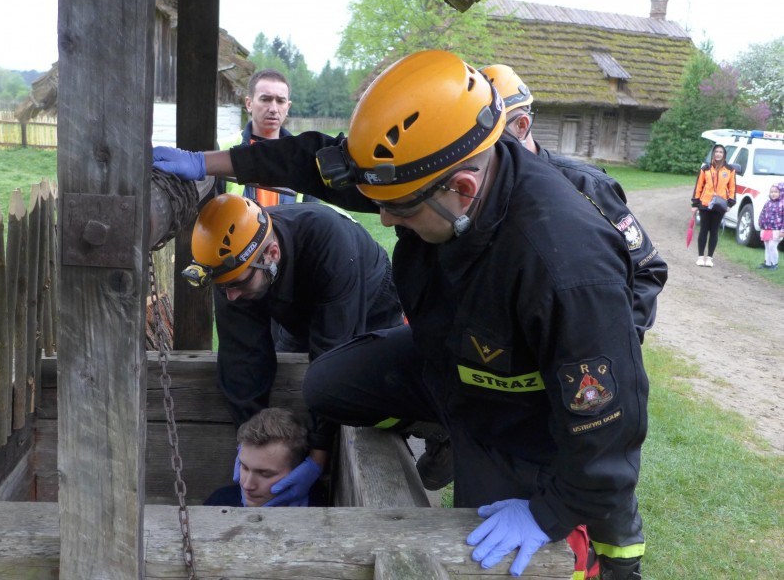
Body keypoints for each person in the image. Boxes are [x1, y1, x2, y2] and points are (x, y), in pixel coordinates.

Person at [154, 50, 649, 579]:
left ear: (463, 190)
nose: (384, 217)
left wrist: (548, 512)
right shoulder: (432, 167)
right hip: (449, 360)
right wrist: (206, 163)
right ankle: (443, 428)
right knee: (326, 385)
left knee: (489, 555)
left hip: (523, 408)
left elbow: (608, 425)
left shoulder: (566, 266)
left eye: (399, 207)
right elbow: (314, 163)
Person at [183, 192, 404, 505]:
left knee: (373, 388)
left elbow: (331, 362)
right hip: (289, 307)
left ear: (272, 254)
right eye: (224, 287)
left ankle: (432, 435)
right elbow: (242, 360)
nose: (231, 296)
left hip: (368, 301)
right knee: (287, 365)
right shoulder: (232, 269)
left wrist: (318, 460)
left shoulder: (329, 245)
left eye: (238, 285)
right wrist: (248, 442)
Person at [480, 63, 667, 343]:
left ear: (521, 126)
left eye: (489, 139)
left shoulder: (587, 186)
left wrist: (618, 340)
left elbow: (647, 268)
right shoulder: (475, 192)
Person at [204, 407, 325, 507]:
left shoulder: (320, 508)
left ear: (298, 471)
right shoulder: (219, 502)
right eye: (244, 467)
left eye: (265, 474)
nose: (247, 485)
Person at [238, 69, 317, 205]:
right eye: (265, 99)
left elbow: (312, 212)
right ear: (249, 104)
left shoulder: (303, 157)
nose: (274, 109)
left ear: (288, 107)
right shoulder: (225, 148)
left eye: (280, 101)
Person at [691, 144, 737, 267]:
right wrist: (695, 203)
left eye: (721, 152)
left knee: (714, 230)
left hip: (720, 204)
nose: (718, 154)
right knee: (704, 229)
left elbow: (732, 188)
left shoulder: (730, 170)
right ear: (713, 153)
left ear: (724, 154)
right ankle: (700, 257)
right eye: (716, 151)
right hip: (705, 203)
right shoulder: (705, 168)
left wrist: (730, 203)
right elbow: (699, 186)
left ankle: (710, 258)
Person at [757, 182, 784, 270]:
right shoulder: (768, 203)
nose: (773, 194)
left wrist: (782, 230)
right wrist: (760, 222)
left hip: (776, 230)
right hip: (767, 229)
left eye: (776, 192)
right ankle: (768, 263)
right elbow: (763, 213)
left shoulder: (782, 204)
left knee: (772, 246)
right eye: (771, 192)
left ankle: (774, 264)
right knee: (767, 246)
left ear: (781, 192)